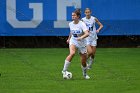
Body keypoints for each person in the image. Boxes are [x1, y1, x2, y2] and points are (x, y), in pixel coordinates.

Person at [62, 9, 90, 79]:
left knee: (83, 62)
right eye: (72, 15)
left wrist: (81, 37)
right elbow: (71, 32)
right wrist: (69, 38)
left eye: (74, 15)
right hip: (73, 41)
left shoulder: (82, 24)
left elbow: (87, 33)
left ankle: (84, 74)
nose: (72, 16)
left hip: (82, 43)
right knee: (72, 53)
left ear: (78, 16)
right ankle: (64, 70)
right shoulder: (70, 24)